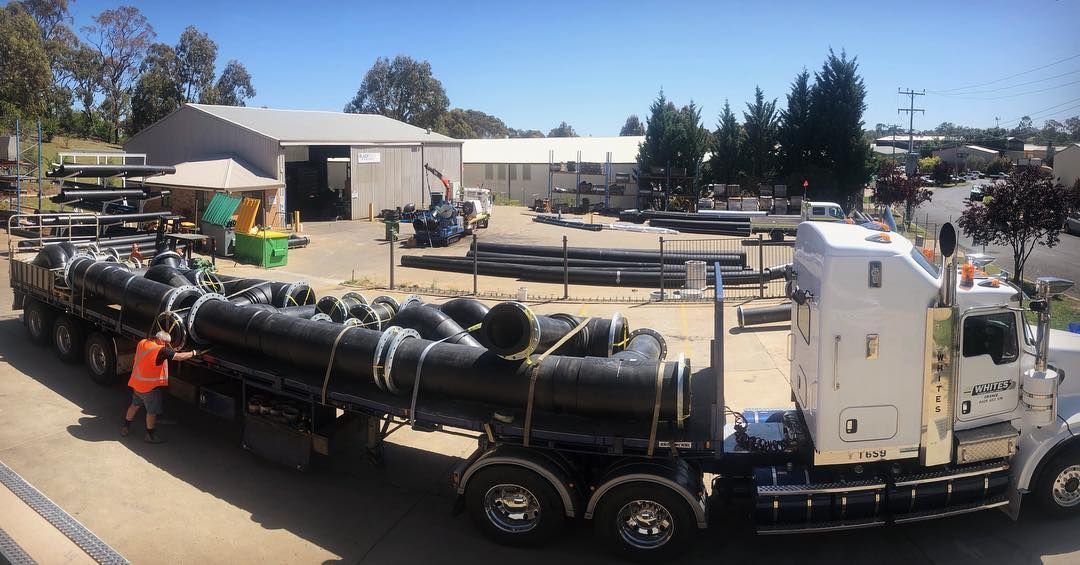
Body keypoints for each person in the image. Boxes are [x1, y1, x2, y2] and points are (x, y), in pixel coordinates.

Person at [121, 331, 197, 443]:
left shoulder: (142, 342)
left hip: (137, 383)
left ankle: (125, 427)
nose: (166, 346)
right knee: (151, 412)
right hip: (149, 388)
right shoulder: (160, 350)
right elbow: (179, 357)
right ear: (161, 340)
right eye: (166, 343)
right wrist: (194, 353)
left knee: (134, 405)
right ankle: (150, 436)